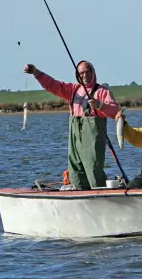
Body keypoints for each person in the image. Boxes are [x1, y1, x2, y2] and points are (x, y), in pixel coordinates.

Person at [24, 60, 119, 190]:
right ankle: (79, 194)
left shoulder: (102, 91)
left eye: (87, 72)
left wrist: (100, 105)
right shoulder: (73, 90)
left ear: (93, 72)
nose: (84, 75)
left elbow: (115, 111)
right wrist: (36, 72)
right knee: (75, 170)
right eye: (81, 73)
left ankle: (101, 196)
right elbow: (53, 85)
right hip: (75, 140)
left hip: (93, 141)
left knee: (93, 168)